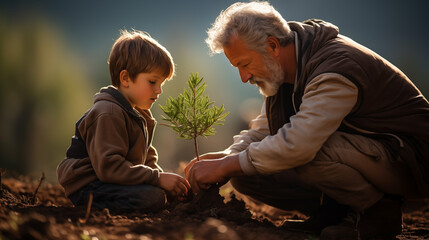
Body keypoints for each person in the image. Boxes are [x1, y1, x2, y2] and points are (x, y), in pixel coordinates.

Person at [185, 2, 429, 239]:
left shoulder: (335, 69)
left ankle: (379, 212)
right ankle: (334, 212)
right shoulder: (281, 72)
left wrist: (228, 164)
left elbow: (299, 144)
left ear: (272, 45)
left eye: (245, 64)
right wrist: (226, 157)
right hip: (368, 154)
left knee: (305, 152)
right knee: (244, 172)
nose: (244, 77)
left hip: (410, 158)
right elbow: (263, 131)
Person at [57, 30, 190, 212]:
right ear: (125, 78)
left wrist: (163, 179)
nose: (159, 90)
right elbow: (109, 167)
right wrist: (157, 179)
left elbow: (147, 160)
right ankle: (92, 209)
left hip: (112, 180)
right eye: (152, 82)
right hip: (89, 184)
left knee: (159, 193)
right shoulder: (108, 113)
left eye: (162, 84)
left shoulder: (138, 114)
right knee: (152, 197)